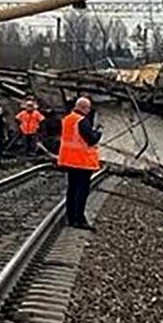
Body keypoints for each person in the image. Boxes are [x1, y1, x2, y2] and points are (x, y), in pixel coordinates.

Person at [57, 96, 100, 229]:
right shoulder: (82, 121)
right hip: (82, 161)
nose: (89, 111)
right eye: (88, 108)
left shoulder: (67, 119)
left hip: (69, 160)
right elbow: (91, 139)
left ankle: (71, 218)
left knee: (71, 190)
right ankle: (79, 219)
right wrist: (98, 132)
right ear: (83, 108)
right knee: (81, 191)